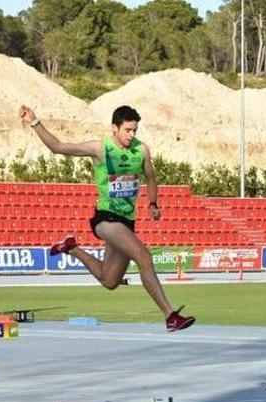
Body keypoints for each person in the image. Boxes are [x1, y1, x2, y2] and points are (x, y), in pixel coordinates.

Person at [18, 104, 195, 331]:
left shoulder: (142, 150)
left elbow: (151, 177)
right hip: (106, 219)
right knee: (144, 257)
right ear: (114, 128)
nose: (131, 135)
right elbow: (58, 147)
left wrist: (153, 203)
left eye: (135, 131)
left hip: (126, 222)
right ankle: (170, 315)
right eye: (127, 130)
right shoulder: (100, 148)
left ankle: (72, 248)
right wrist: (34, 122)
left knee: (109, 280)